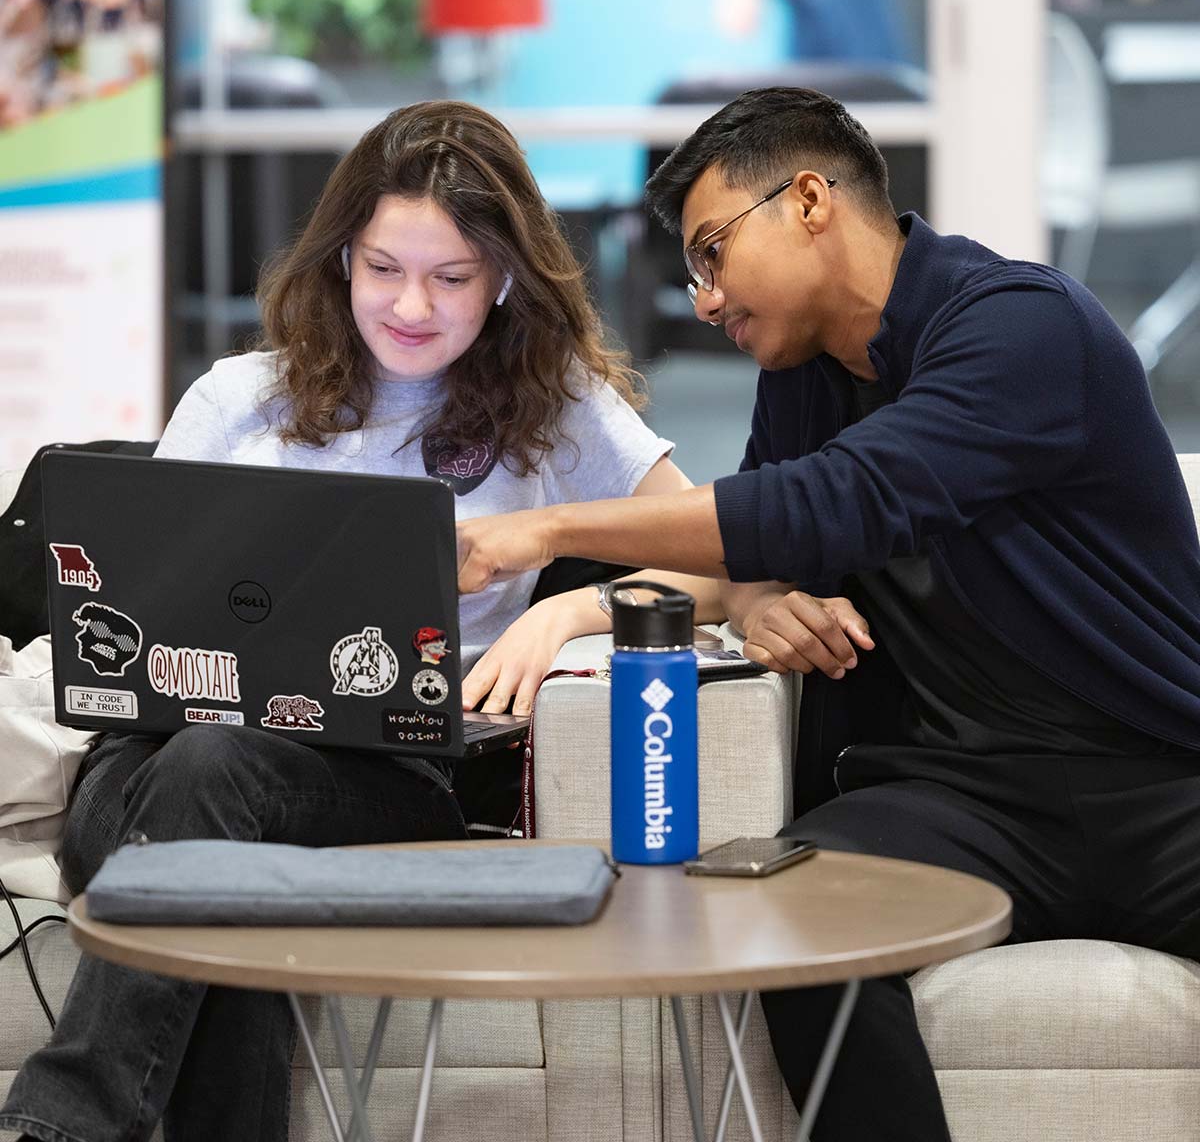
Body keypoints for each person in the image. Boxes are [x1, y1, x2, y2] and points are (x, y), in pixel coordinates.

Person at [455, 86, 1200, 1140]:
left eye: (712, 252)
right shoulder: (805, 374)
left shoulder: (1023, 327)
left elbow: (844, 497)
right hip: (965, 796)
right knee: (777, 920)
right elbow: (766, 535)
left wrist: (544, 532)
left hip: (1161, 776)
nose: (704, 298)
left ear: (808, 199)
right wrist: (727, 596)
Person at [0, 99, 719, 1142]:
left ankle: (60, 1125)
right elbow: (139, 605)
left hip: (382, 786)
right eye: (383, 267)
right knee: (218, 842)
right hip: (144, 775)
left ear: (507, 276)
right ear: (342, 259)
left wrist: (567, 608)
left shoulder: (553, 407)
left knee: (219, 786)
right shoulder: (238, 398)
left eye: (451, 277)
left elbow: (731, 552)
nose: (411, 305)